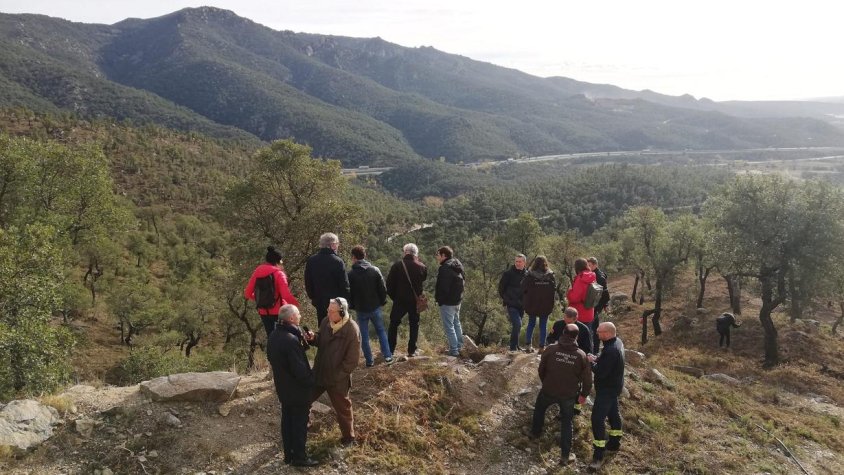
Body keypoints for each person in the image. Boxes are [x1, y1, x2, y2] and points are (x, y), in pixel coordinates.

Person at [526, 323, 592, 465]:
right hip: (568, 395)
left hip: (549, 389)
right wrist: (583, 395)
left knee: (539, 410)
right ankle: (564, 456)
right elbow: (587, 379)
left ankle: (534, 434)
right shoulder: (581, 355)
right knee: (567, 423)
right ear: (577, 336)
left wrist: (546, 382)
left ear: (563, 332)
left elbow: (541, 369)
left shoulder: (551, 349)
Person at [266, 305, 318, 467]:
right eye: (298, 314)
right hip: (297, 390)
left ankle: (289, 455)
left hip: (283, 388)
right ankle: (300, 458)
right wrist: (311, 381)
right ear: (291, 319)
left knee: (287, 422)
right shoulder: (290, 340)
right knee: (299, 424)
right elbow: (299, 369)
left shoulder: (274, 335)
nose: (300, 316)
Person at [307, 297, 361, 446]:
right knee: (304, 398)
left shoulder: (352, 330)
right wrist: (313, 338)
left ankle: (349, 439)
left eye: (331, 311)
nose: (328, 313)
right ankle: (306, 427)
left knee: (343, 409)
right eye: (328, 310)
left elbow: (352, 361)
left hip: (338, 379)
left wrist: (337, 376)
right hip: (320, 371)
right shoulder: (326, 321)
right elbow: (321, 340)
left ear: (342, 312)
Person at [347, 245, 394, 367]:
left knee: (364, 335)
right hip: (375, 306)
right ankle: (388, 356)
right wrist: (382, 301)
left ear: (353, 258)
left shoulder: (351, 274)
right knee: (381, 331)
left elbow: (349, 293)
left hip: (360, 309)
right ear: (365, 255)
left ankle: (369, 361)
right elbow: (382, 289)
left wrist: (352, 305)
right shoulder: (375, 270)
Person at [588, 322, 625, 471]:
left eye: (599, 332)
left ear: (608, 333)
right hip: (615, 387)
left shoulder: (611, 351)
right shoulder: (617, 342)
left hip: (607, 390)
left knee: (596, 419)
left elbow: (602, 372)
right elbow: (608, 363)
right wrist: (597, 358)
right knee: (614, 414)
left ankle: (598, 455)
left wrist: (591, 363)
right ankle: (615, 443)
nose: (597, 334)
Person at [244, 246, 300, 337]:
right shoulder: (279, 274)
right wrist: (297, 305)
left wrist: (261, 298)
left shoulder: (257, 273)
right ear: (279, 261)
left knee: (271, 338)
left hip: (263, 312)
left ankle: (271, 351)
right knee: (285, 338)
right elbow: (286, 295)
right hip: (280, 312)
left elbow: (247, 293)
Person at [385, 243, 427, 357]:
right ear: (416, 254)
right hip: (415, 301)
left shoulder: (397, 266)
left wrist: (395, 297)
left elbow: (388, 286)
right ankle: (412, 350)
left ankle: (390, 350)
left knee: (394, 324)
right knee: (414, 324)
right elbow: (422, 280)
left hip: (400, 301)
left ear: (405, 252)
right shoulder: (422, 267)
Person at [304, 233, 350, 325]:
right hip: (336, 302)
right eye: (337, 243)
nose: (338, 246)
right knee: (337, 328)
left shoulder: (312, 260)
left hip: (319, 300)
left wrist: (313, 297)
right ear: (332, 245)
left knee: (323, 327)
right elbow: (344, 284)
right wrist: (345, 301)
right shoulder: (338, 261)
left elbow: (308, 282)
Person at [434, 246, 466, 357]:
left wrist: (440, 300)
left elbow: (443, 287)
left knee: (449, 326)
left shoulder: (445, 268)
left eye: (438, 254)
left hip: (448, 302)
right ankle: (460, 346)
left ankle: (454, 350)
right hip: (458, 300)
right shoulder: (457, 263)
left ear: (444, 255)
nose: (436, 257)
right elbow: (464, 279)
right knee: (456, 323)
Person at [522, 256, 556, 352]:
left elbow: (523, 288)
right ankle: (542, 347)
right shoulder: (550, 275)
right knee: (543, 325)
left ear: (535, 263)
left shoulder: (530, 275)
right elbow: (554, 290)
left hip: (532, 304)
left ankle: (528, 346)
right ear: (545, 263)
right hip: (546, 304)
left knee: (531, 324)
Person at [498, 254, 528, 352]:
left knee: (517, 326)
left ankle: (516, 345)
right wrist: (507, 300)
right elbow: (501, 288)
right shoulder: (508, 274)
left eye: (520, 262)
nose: (518, 263)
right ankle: (512, 348)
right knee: (518, 324)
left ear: (524, 263)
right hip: (511, 304)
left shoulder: (527, 274)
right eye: (516, 261)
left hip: (521, 305)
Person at [587, 257, 610, 352]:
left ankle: (593, 350)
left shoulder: (599, 276)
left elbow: (605, 293)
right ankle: (595, 349)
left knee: (591, 328)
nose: (588, 267)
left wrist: (604, 305)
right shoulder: (596, 274)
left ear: (595, 265)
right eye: (587, 265)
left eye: (590, 265)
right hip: (596, 305)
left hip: (595, 306)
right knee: (594, 327)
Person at [567, 258, 597, 326]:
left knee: (577, 335)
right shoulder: (592, 276)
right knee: (587, 334)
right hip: (589, 311)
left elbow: (574, 298)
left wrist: (569, 292)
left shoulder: (580, 278)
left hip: (579, 313)